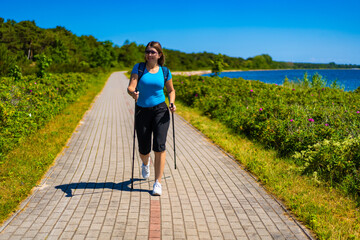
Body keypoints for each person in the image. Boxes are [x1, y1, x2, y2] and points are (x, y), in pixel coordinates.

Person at [127, 41, 176, 196]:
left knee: (159, 146)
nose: (149, 54)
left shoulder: (165, 71)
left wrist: (172, 102)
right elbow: (131, 86)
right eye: (147, 51)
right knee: (143, 148)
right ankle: (145, 163)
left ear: (159, 54)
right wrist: (133, 93)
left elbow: (171, 90)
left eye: (153, 52)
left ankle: (157, 183)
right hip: (142, 110)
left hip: (160, 111)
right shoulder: (139, 68)